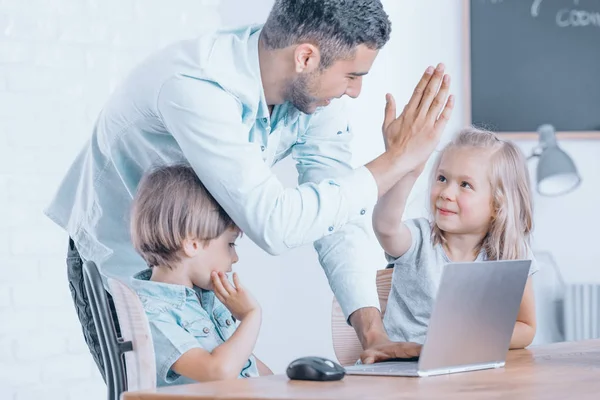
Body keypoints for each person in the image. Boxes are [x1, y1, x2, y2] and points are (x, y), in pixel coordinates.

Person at [45, 0, 454, 377]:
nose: (354, 91)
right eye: (351, 75)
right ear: (306, 57)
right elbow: (275, 225)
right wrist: (396, 160)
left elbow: (338, 215)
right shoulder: (193, 86)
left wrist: (372, 333)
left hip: (198, 267)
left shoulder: (313, 99)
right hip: (121, 264)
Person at [367, 127, 537, 364]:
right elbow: (385, 226)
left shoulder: (512, 253)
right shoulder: (418, 239)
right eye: (442, 178)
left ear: (498, 204)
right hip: (400, 369)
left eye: (465, 185)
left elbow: (526, 327)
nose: (446, 192)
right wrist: (406, 169)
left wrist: (470, 339)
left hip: (464, 371)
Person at [129, 164, 271, 385]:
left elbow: (248, 366)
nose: (235, 258)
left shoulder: (207, 300)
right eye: (230, 244)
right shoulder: (151, 314)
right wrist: (252, 316)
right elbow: (216, 372)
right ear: (193, 244)